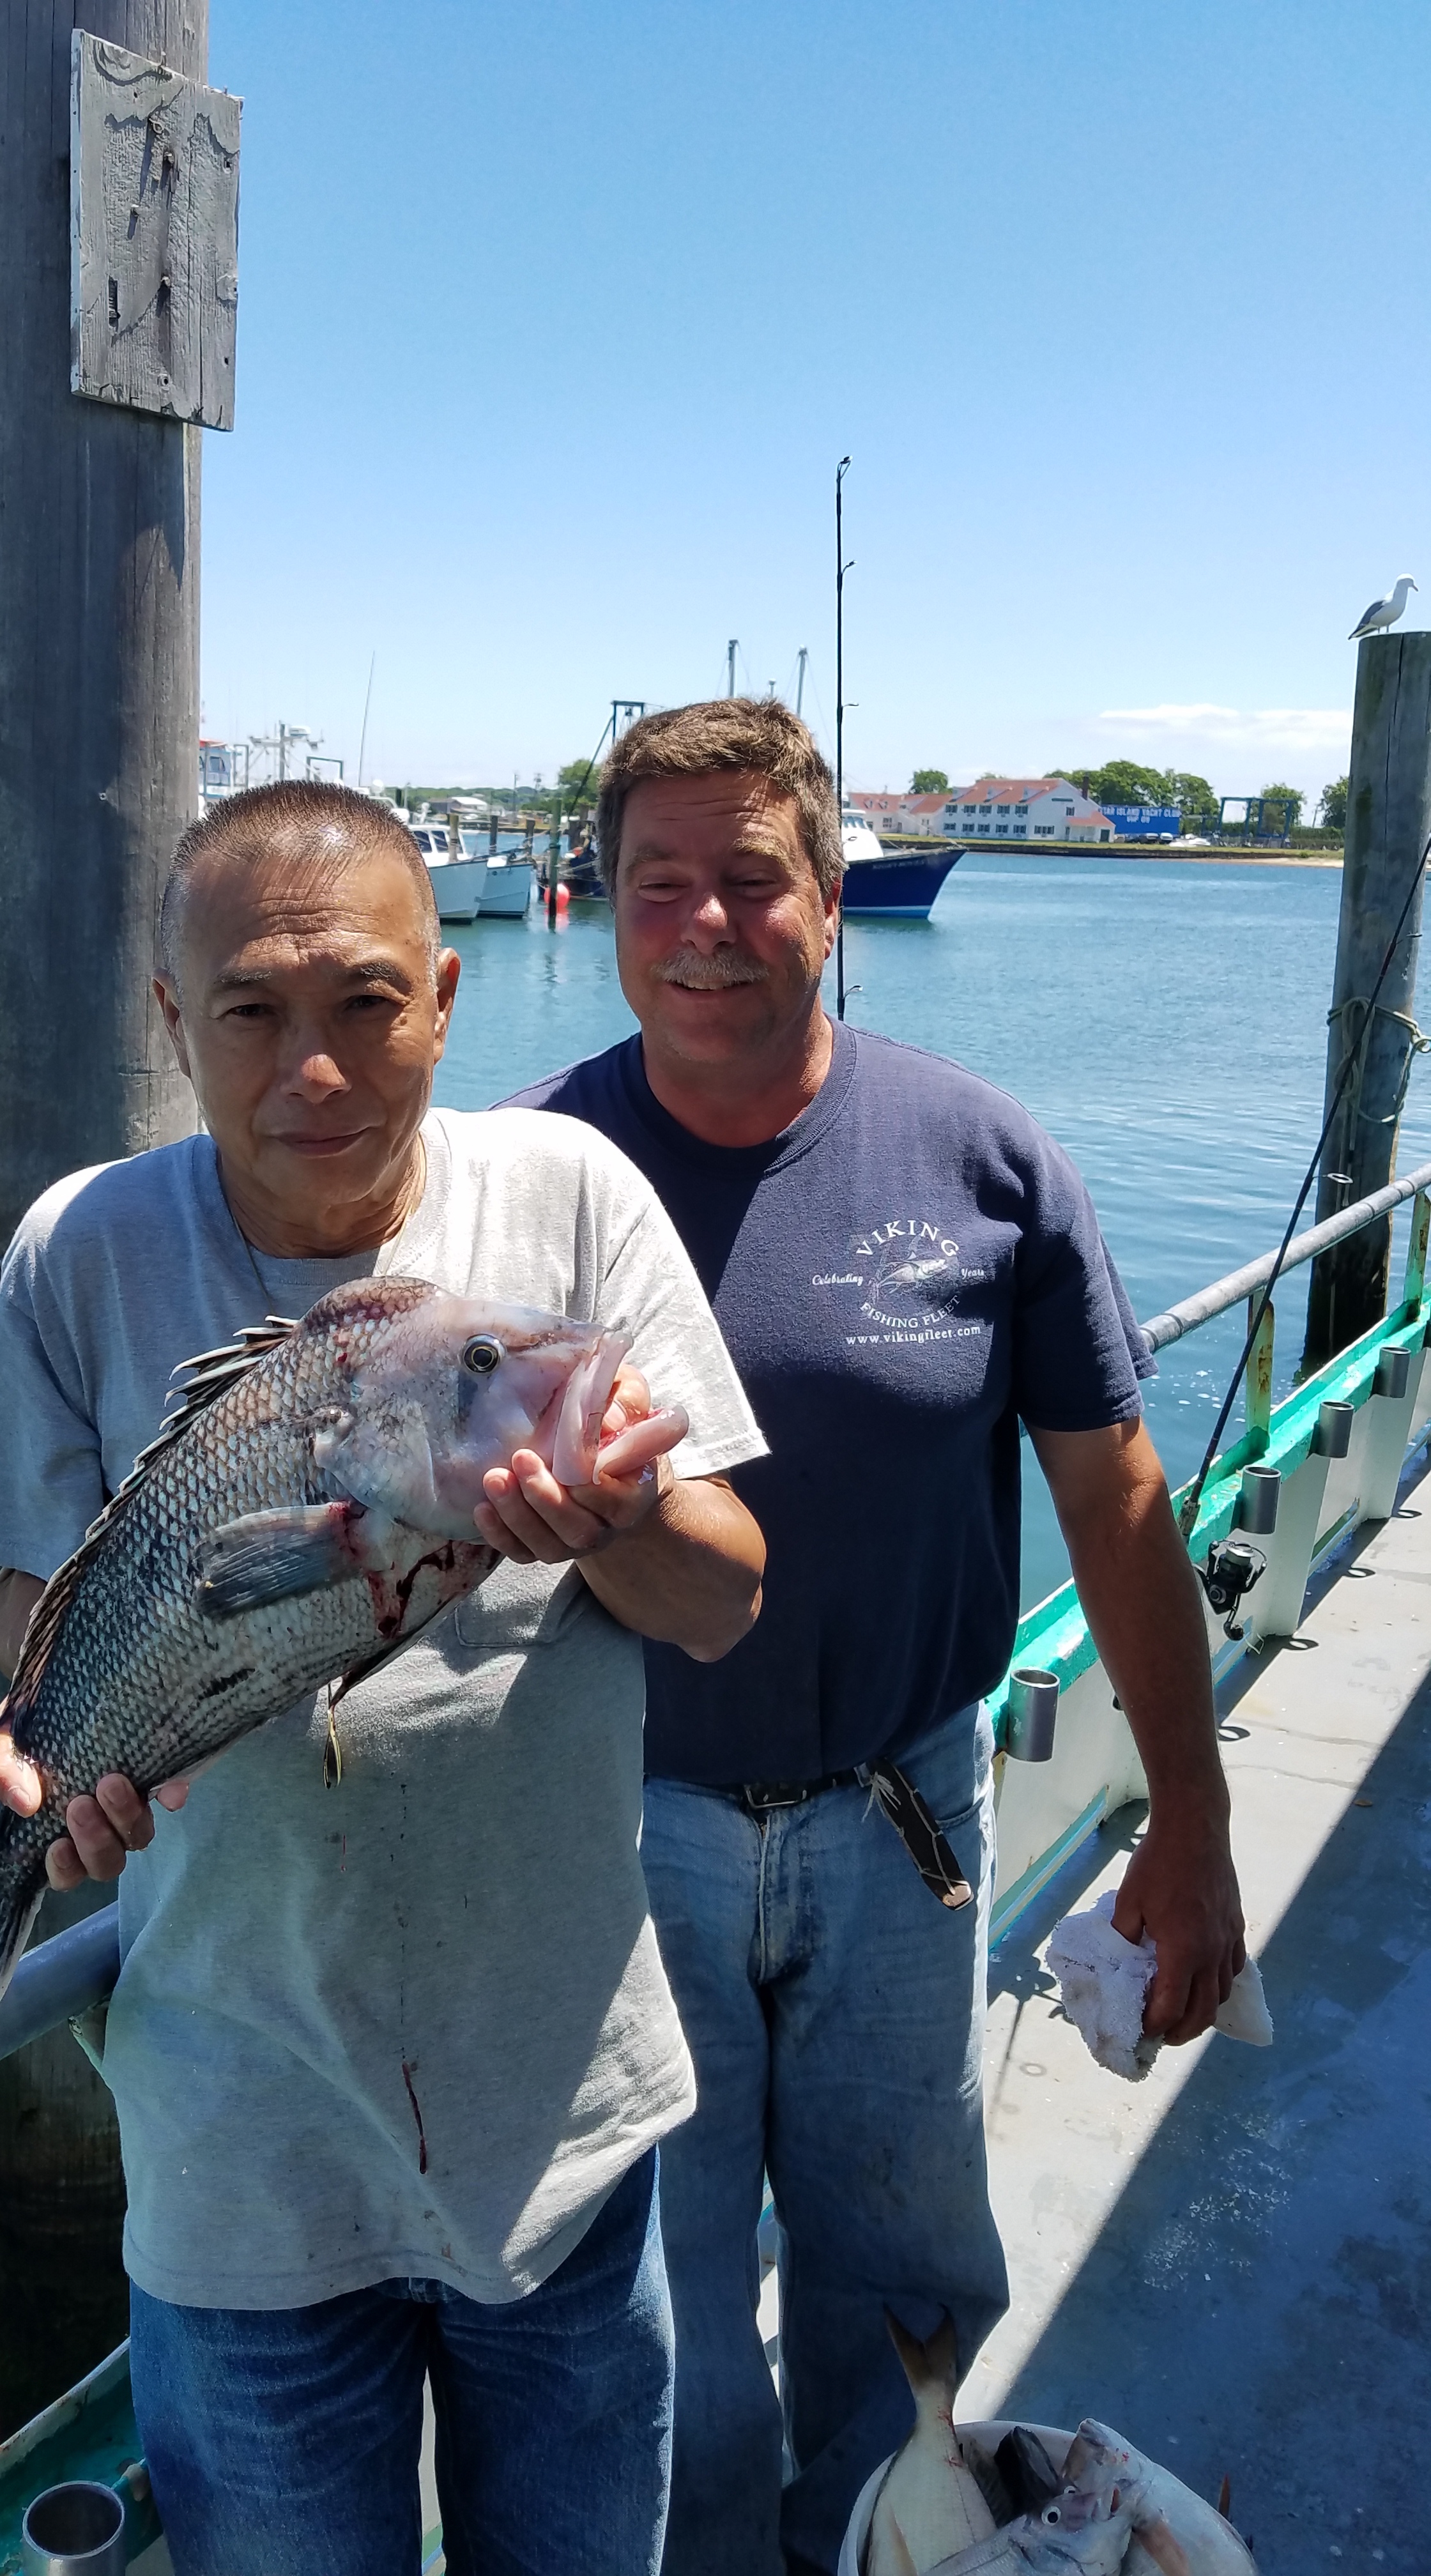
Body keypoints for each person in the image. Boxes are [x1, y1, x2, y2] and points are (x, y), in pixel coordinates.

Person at [0, 779, 769, 2575]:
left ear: (446, 997)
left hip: (553, 2116)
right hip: (234, 2137)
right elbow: (27, 1588)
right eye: (250, 1010)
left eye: (368, 1004)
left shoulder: (569, 1200)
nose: (312, 1069)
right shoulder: (86, 1247)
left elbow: (722, 1601)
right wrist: (58, 1745)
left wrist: (618, 1516)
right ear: (173, 1017)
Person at [510, 700, 1247, 2575]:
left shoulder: (986, 1157)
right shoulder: (524, 1181)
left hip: (903, 1825)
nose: (705, 924)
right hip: (616, 1833)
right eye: (657, 882)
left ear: (832, 900)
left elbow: (1120, 1500)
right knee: (656, 2306)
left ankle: (881, 2542)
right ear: (604, 905)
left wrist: (1192, 1816)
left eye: (753, 878)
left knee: (904, 2278)